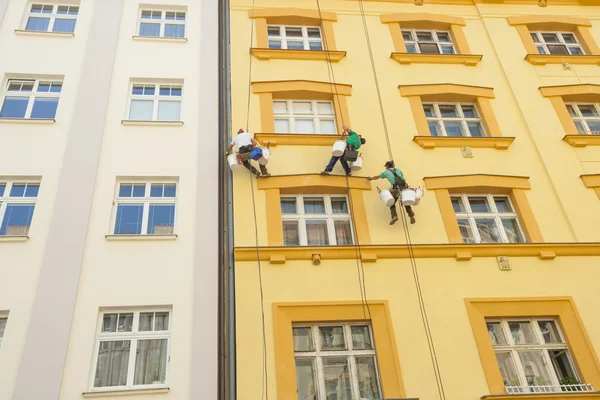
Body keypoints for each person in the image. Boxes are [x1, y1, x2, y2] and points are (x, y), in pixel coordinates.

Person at [368, 161, 416, 225]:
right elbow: (402, 177)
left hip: (395, 189)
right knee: (406, 202)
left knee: (391, 203)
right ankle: (411, 216)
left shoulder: (386, 172)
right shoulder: (398, 170)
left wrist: (371, 178)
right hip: (404, 187)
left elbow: (377, 177)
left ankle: (394, 216)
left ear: (387, 166)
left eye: (386, 166)